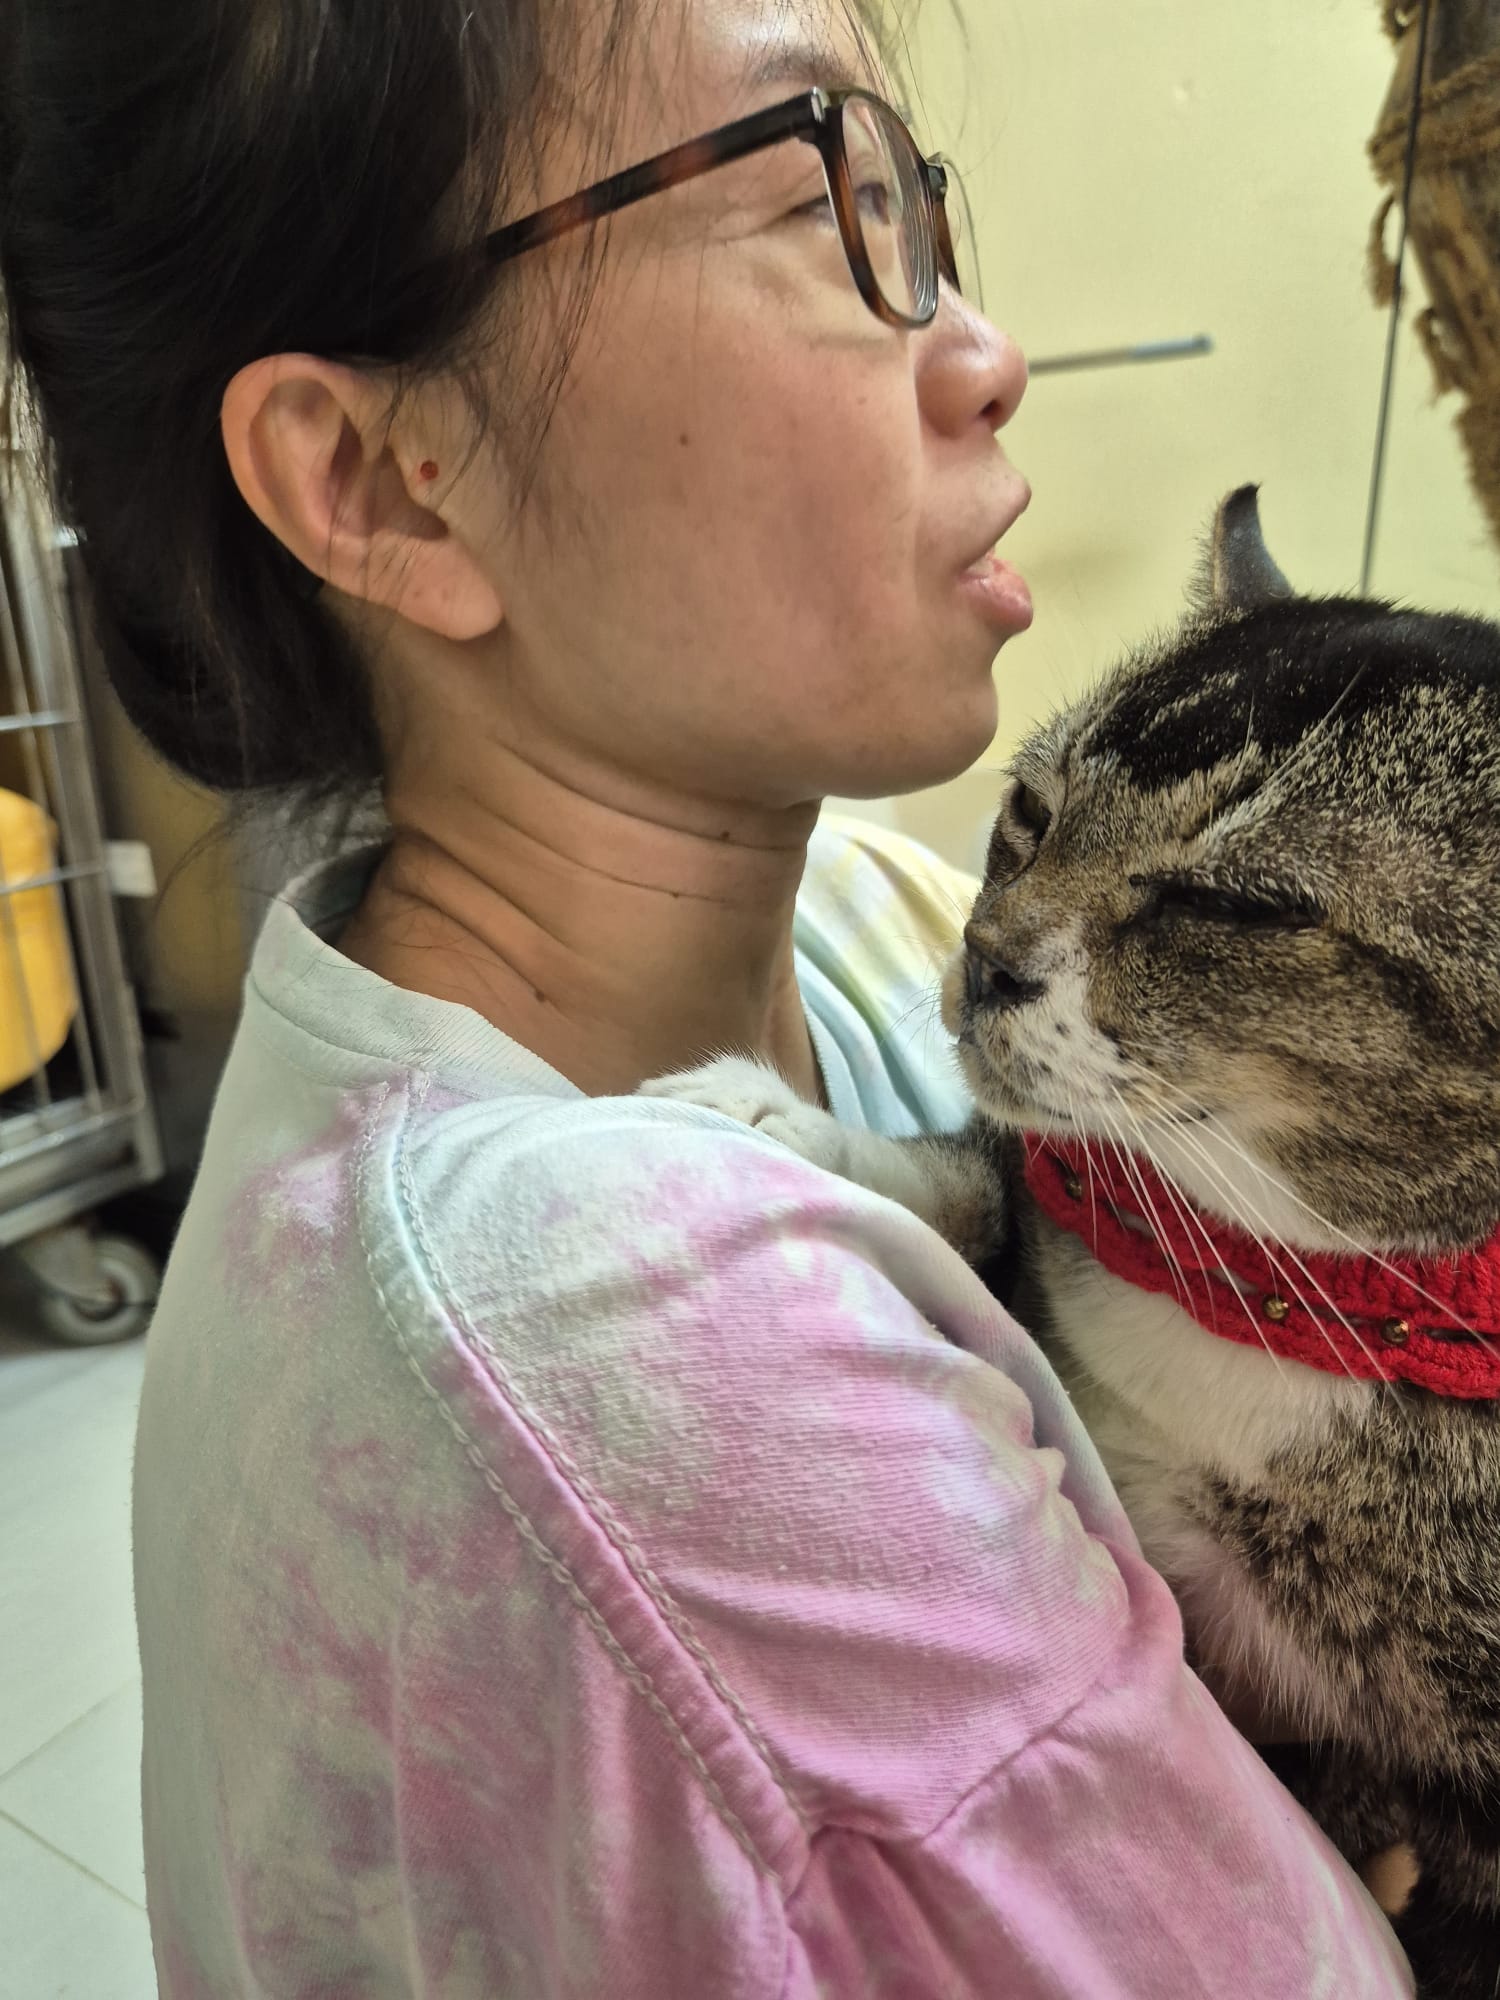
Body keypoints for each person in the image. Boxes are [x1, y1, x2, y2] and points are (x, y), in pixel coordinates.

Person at [0, 0, 1412, 1992]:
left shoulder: (835, 916)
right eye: (820, 199)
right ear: (386, 480)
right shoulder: (638, 1348)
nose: (987, 355)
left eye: (921, 209)